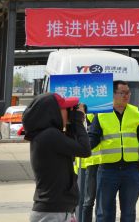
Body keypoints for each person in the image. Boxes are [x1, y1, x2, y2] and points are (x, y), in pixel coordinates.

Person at [23, 93, 91, 222]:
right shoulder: (50, 135)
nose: (68, 112)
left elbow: (73, 148)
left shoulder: (46, 135)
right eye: (66, 109)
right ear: (53, 113)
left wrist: (72, 124)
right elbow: (84, 150)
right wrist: (78, 121)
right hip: (52, 213)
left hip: (55, 211)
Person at [89, 80, 139, 222]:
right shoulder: (101, 114)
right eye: (122, 93)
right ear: (113, 94)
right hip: (108, 169)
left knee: (129, 212)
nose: (126, 95)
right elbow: (93, 138)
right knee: (105, 212)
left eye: (128, 93)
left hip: (131, 169)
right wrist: (79, 146)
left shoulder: (135, 113)